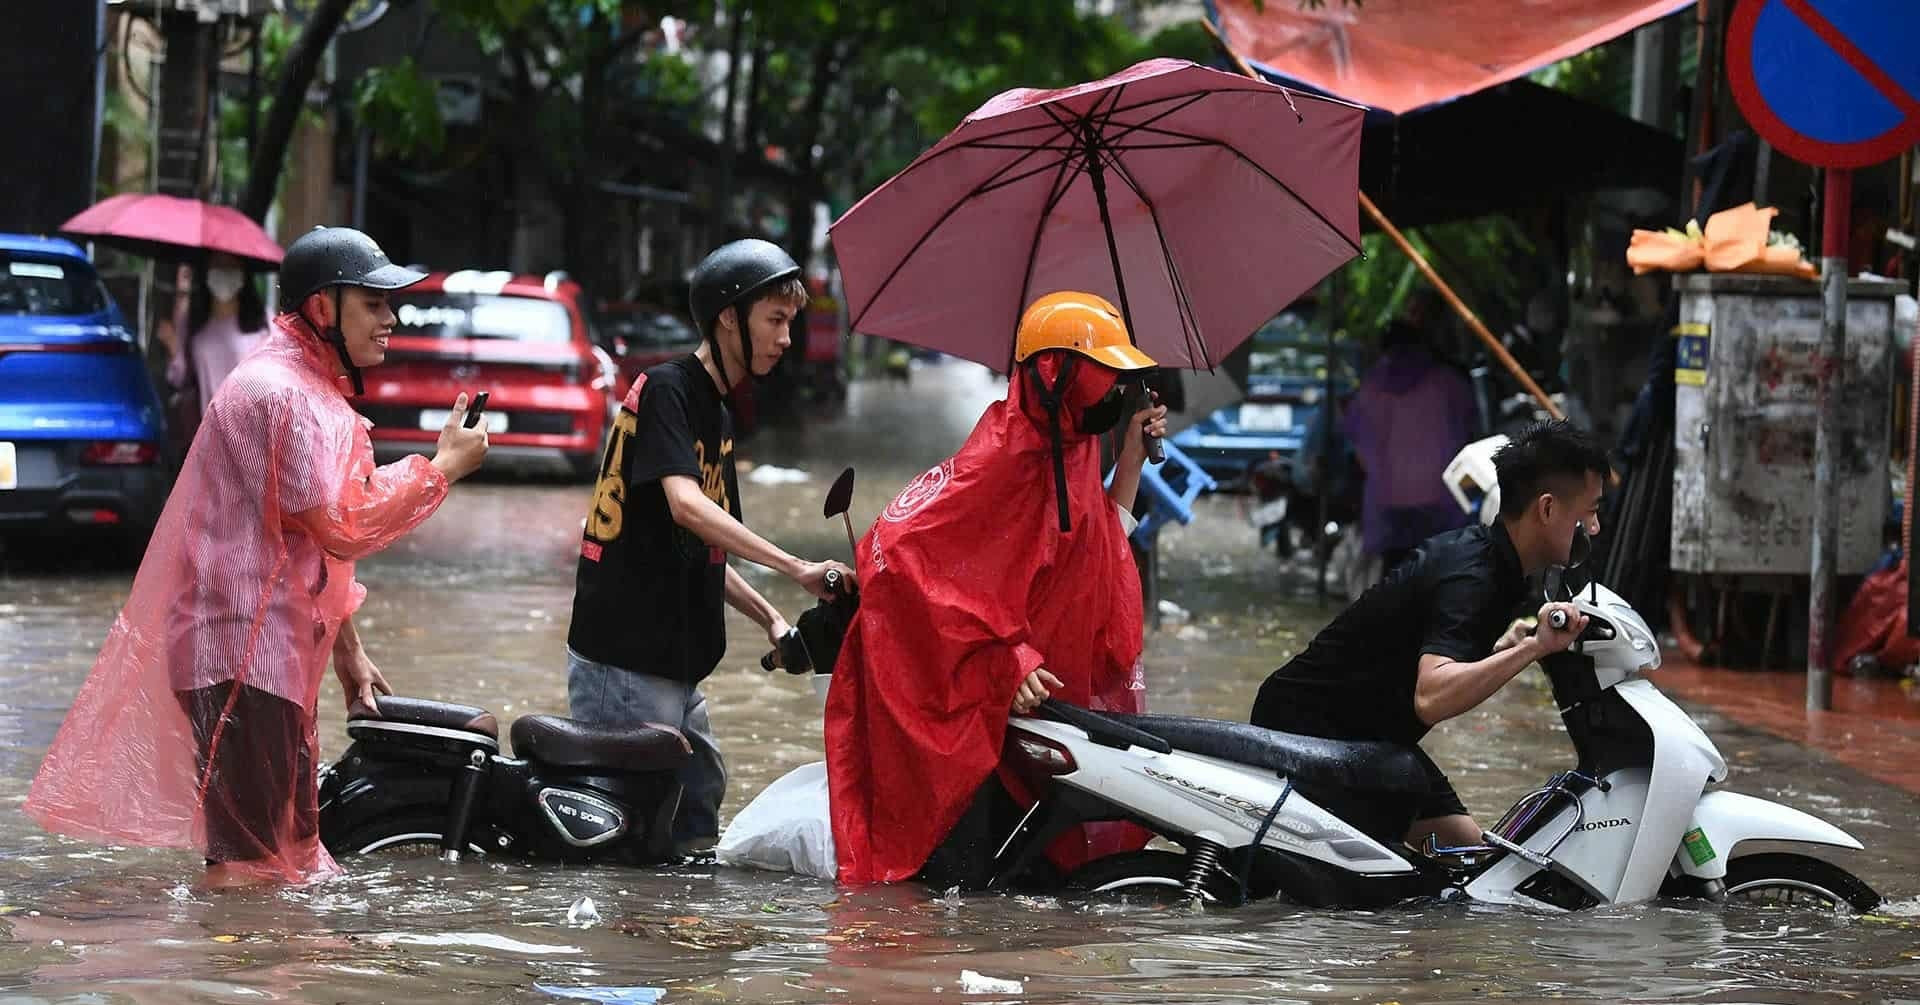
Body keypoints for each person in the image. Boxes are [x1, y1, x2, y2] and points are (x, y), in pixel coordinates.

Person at [26, 226, 490, 885]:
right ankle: (225, 978)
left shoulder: (307, 386)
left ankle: (271, 975)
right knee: (248, 863)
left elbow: (305, 546)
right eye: (374, 302)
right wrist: (441, 468)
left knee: (287, 856)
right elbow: (342, 523)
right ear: (324, 308)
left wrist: (348, 650)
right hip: (243, 660)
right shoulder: (286, 396)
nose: (392, 318)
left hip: (268, 658)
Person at [825, 290, 1170, 887]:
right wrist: (1006, 657)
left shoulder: (1080, 450)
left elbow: (1096, 550)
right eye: (1106, 374)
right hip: (975, 706)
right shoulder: (1002, 459)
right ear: (1055, 373)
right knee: (957, 894)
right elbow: (900, 561)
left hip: (1042, 703)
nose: (1115, 389)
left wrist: (1132, 457)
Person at [563, 238, 854, 852]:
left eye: (790, 323)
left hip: (671, 666)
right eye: (774, 321)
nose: (785, 339)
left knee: (698, 801)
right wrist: (797, 566)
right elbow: (687, 505)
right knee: (629, 841)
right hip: (626, 663)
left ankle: (680, 938)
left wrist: (773, 619)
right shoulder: (669, 390)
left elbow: (704, 545)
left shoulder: (714, 412)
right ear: (729, 318)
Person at [1249, 419, 1608, 851]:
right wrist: (1532, 649)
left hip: (1364, 735)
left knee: (1475, 861)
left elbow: (1426, 649)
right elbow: (1432, 695)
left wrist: (1505, 649)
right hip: (1309, 734)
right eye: (1590, 511)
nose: (1595, 527)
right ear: (1547, 509)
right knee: (1433, 872)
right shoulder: (1474, 577)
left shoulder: (1496, 563)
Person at [1342, 308, 1479, 576]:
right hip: (1441, 498)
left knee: (1395, 575)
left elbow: (1357, 442)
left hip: (1387, 501)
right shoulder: (1448, 383)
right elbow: (1471, 431)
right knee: (1438, 569)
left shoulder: (1369, 388)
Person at [166, 252, 270, 424]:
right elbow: (180, 376)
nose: (224, 272)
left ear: (244, 274)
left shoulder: (263, 321)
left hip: (253, 428)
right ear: (206, 272)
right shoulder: (192, 322)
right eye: (218, 265)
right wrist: (172, 346)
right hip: (207, 432)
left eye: (231, 266)